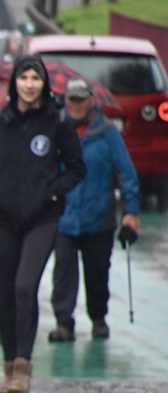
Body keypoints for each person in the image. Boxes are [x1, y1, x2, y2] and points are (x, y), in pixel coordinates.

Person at [0, 55, 85, 393]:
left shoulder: (58, 121)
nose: (29, 84)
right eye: (24, 77)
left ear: (43, 84)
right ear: (14, 83)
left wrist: (52, 194)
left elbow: (75, 167)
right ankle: (8, 365)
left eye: (36, 78)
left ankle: (23, 365)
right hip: (2, 219)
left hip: (41, 218)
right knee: (6, 291)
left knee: (25, 287)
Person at [48, 78, 141, 343]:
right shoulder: (56, 128)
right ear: (66, 100)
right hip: (63, 217)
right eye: (72, 99)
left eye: (81, 99)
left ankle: (98, 318)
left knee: (97, 273)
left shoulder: (108, 133)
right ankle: (63, 322)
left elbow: (126, 172)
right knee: (63, 274)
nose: (76, 104)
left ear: (92, 101)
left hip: (98, 218)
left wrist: (130, 211)